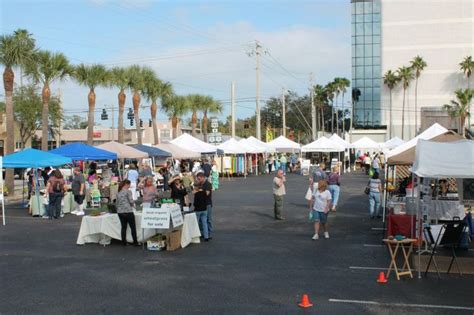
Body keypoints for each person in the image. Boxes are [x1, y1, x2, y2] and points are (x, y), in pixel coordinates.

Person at [116, 179, 139, 246]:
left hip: (120, 212)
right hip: (128, 211)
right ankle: (135, 242)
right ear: (126, 184)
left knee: (123, 227)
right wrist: (133, 205)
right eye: (129, 184)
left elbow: (116, 203)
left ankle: (124, 242)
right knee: (133, 227)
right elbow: (131, 201)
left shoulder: (118, 192)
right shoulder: (128, 192)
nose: (129, 186)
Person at [193, 172, 210, 241]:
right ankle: (206, 237)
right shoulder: (204, 192)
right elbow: (206, 196)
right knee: (204, 223)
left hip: (198, 210)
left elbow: (195, 203)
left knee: (196, 223)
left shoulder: (196, 194)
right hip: (204, 209)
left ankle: (197, 236)